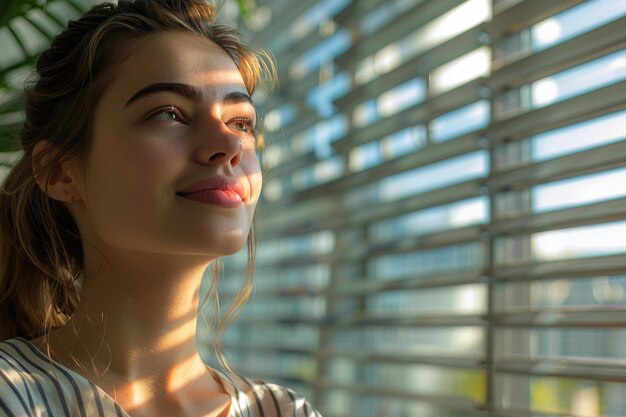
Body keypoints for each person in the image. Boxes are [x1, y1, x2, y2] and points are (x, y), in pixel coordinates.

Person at [0, 1, 321, 416]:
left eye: (241, 122)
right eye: (168, 113)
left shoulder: (283, 411)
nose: (228, 145)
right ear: (60, 172)